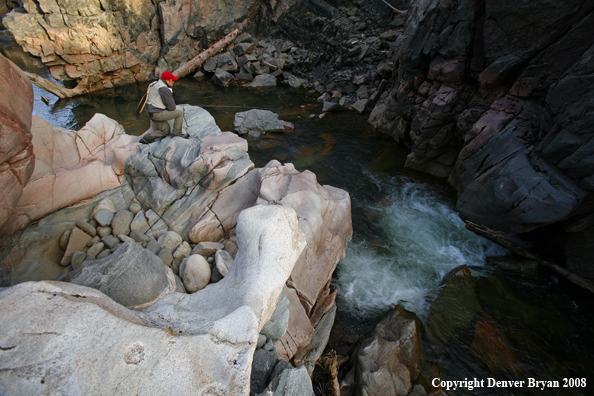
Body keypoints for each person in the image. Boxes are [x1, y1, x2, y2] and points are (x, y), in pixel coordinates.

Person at [140, 71, 185, 143]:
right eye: (172, 80)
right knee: (179, 113)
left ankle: (146, 138)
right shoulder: (164, 89)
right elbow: (172, 108)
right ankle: (177, 135)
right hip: (156, 113)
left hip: (150, 112)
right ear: (167, 81)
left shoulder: (155, 83)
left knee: (166, 131)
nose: (173, 82)